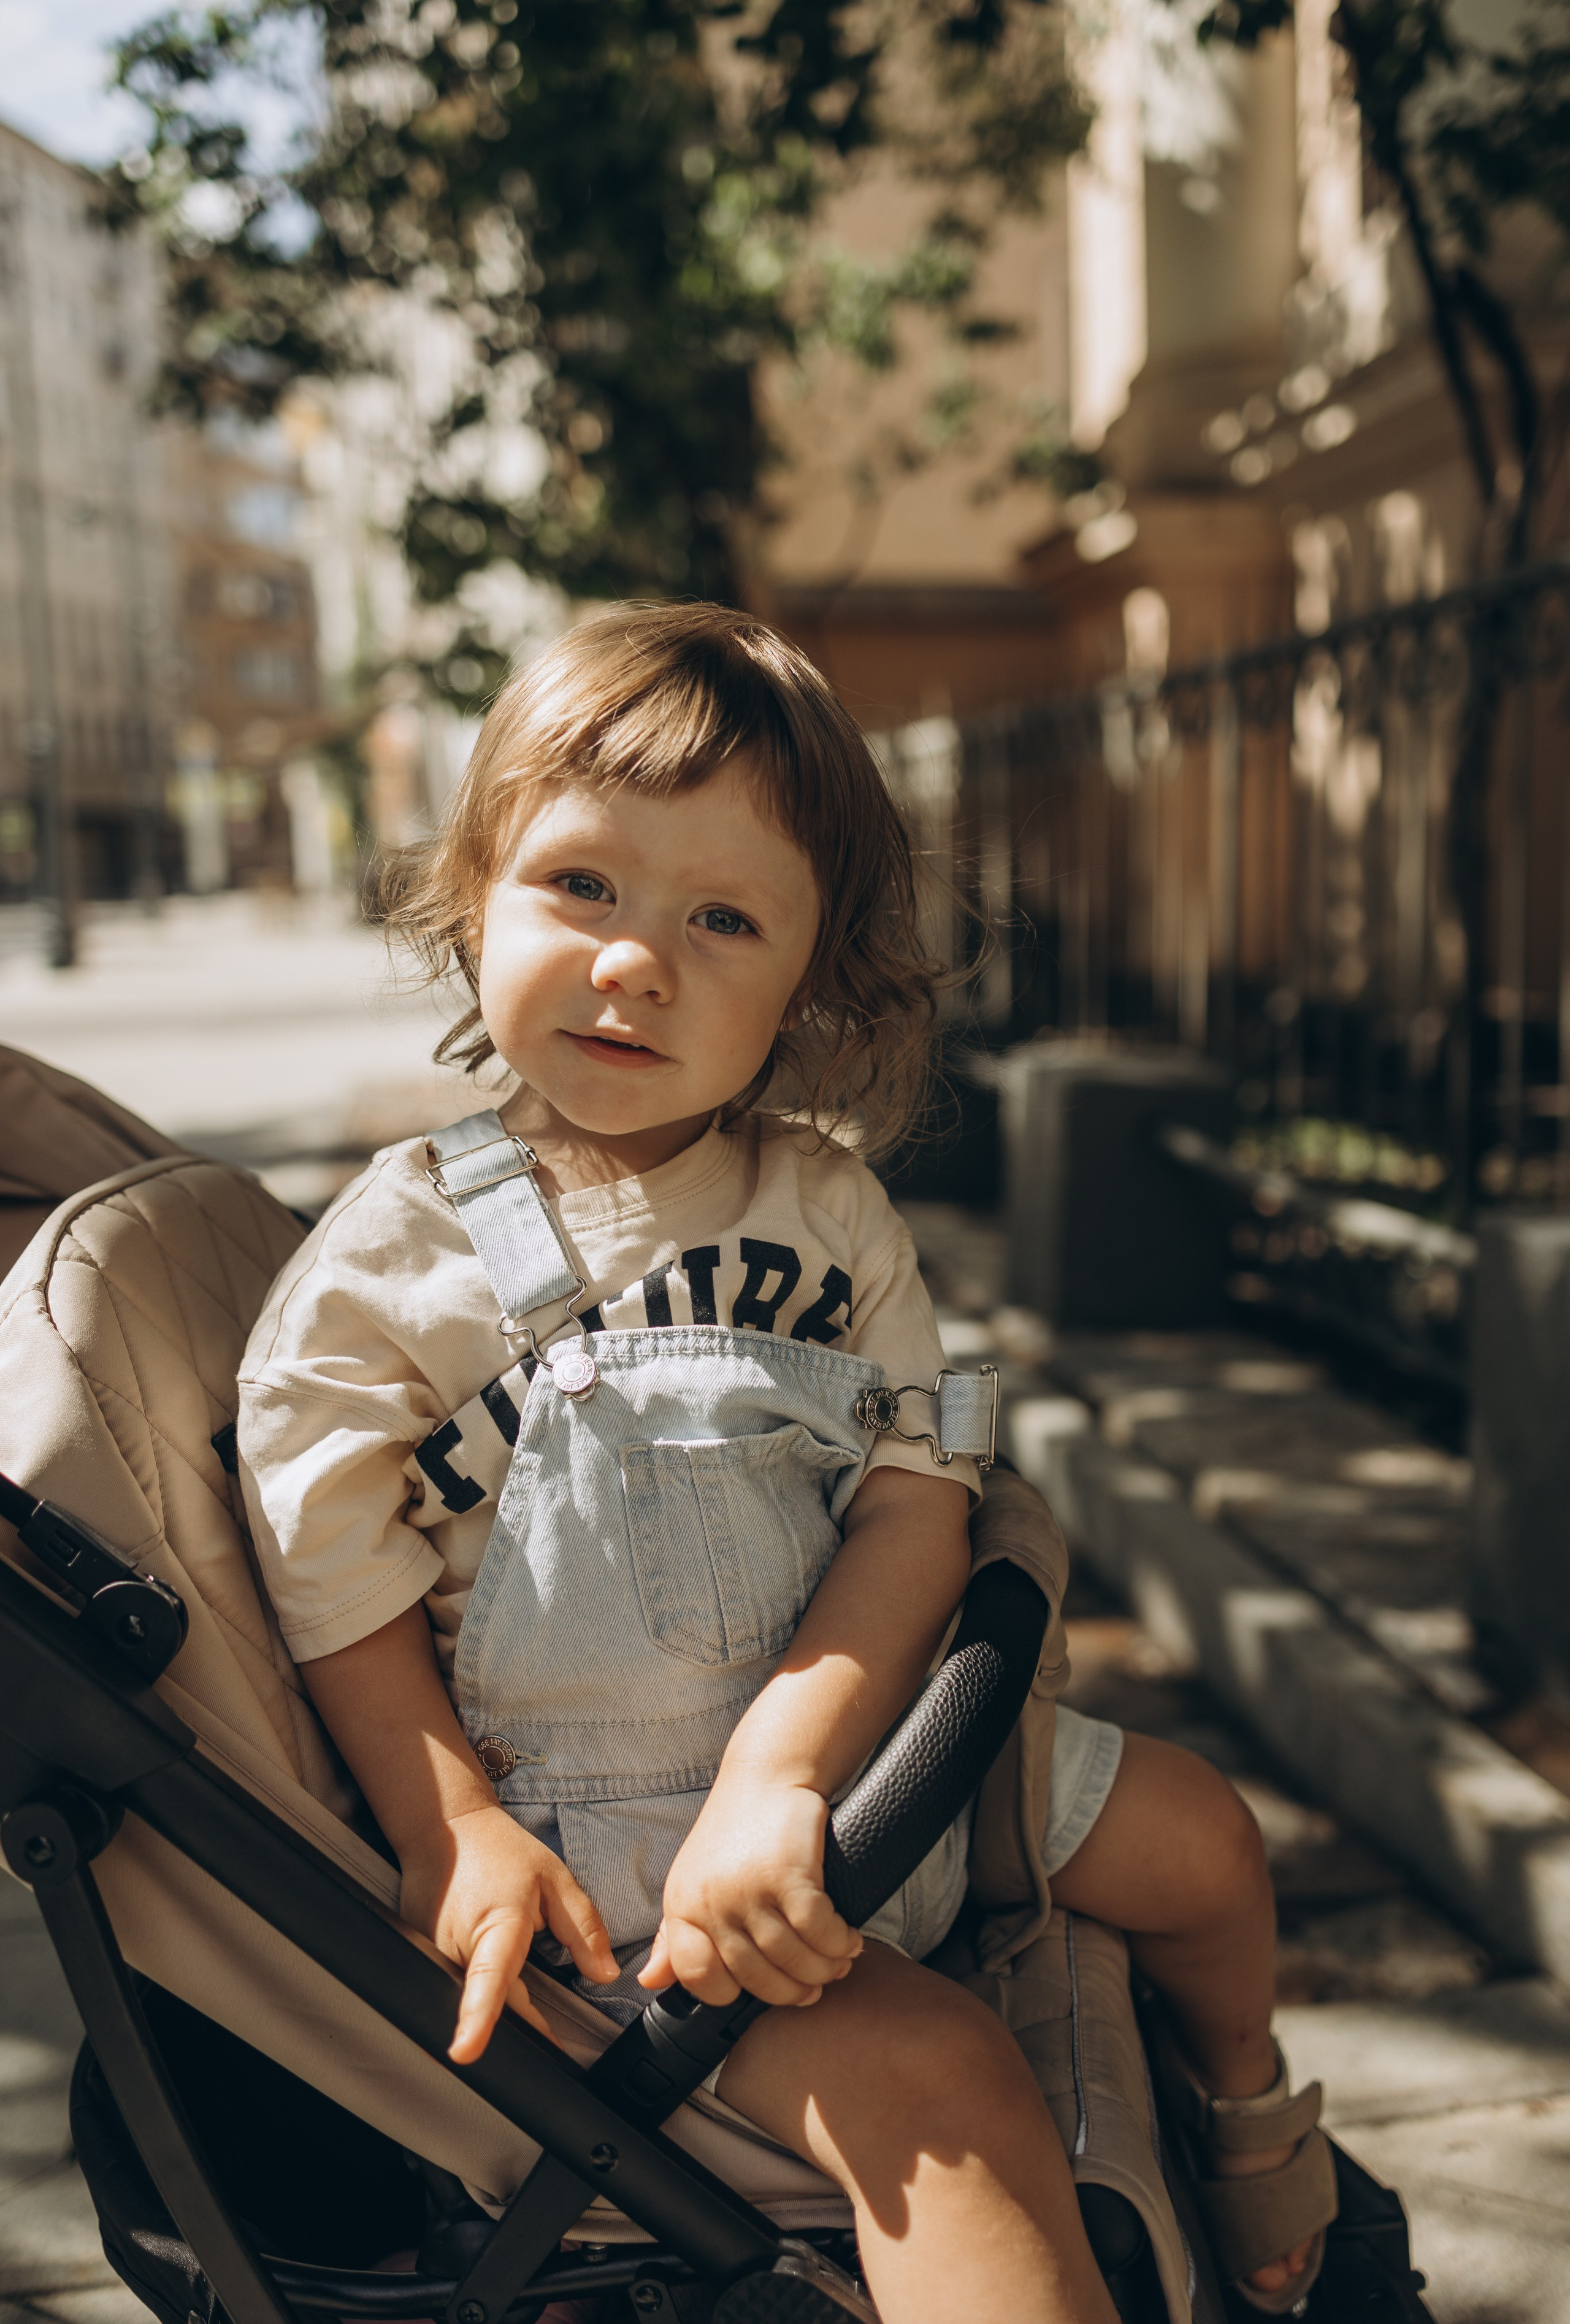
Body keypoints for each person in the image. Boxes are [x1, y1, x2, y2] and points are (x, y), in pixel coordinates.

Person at [238, 605, 1336, 2323]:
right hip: (623, 1864)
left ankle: (1245, 2106)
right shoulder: (389, 1265)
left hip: (865, 1751)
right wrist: (449, 1829)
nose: (634, 961)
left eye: (721, 919)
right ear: (474, 899)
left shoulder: (827, 1210)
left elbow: (915, 1491)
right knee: (943, 2089)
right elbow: (326, 1567)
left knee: (1205, 1843)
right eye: (581, 888)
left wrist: (791, 1772)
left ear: (810, 984)